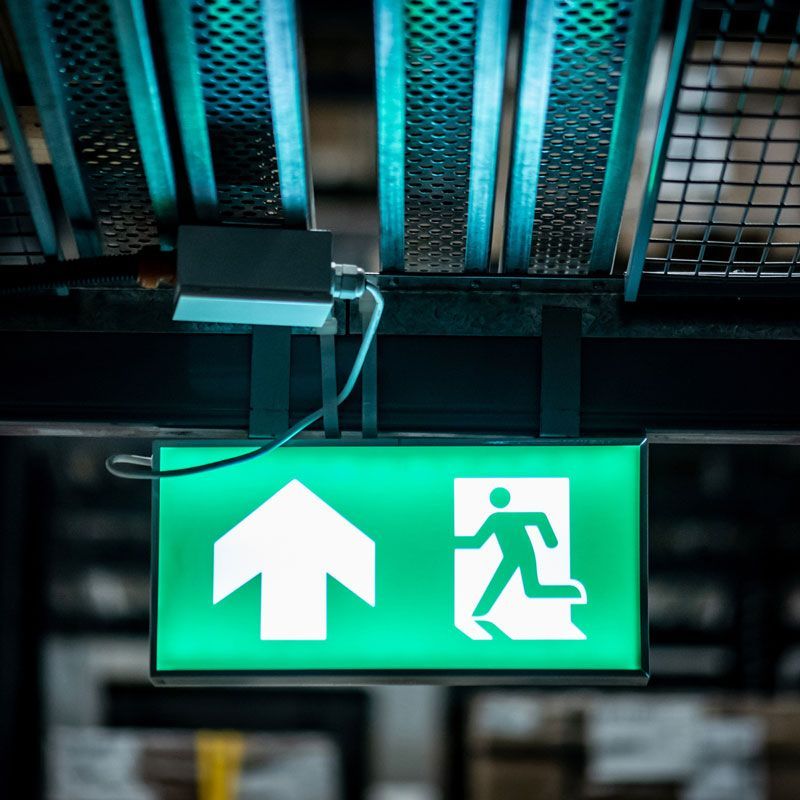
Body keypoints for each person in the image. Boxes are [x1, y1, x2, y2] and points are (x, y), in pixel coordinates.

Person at [458, 486, 581, 617]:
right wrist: (550, 541)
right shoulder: (495, 518)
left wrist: (550, 540)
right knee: (533, 589)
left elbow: (539, 517)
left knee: (527, 588)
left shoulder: (498, 518)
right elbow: (477, 541)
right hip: (515, 555)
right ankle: (571, 591)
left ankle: (479, 612)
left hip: (522, 554)